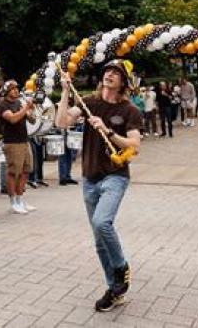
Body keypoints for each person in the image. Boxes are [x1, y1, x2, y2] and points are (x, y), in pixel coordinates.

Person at [56, 60, 143, 312]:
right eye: (107, 71)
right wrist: (65, 91)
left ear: (123, 82)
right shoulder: (89, 102)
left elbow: (135, 145)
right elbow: (62, 122)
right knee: (99, 241)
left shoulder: (129, 110)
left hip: (115, 176)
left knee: (102, 222)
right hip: (90, 178)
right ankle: (115, 290)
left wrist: (108, 131)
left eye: (116, 73)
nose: (110, 75)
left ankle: (121, 268)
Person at [0, 80, 36, 214]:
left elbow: (32, 120)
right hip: (12, 142)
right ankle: (13, 201)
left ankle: (20, 199)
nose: (16, 91)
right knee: (13, 172)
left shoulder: (19, 103)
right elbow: (13, 119)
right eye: (13, 89)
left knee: (26, 170)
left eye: (16, 88)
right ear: (7, 91)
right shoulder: (3, 105)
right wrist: (25, 109)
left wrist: (31, 110)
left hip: (24, 140)